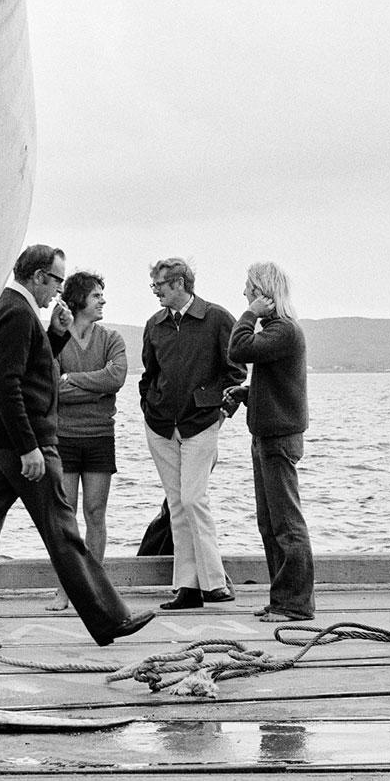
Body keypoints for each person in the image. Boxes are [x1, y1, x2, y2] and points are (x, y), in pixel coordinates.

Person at [0, 245, 155, 652]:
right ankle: (110, 617)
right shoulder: (18, 314)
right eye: (55, 281)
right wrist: (29, 449)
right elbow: (7, 384)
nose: (58, 291)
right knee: (63, 529)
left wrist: (54, 336)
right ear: (37, 276)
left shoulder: (3, 306)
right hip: (25, 444)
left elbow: (26, 370)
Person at [139, 257, 245, 609]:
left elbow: (235, 372)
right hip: (161, 426)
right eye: (154, 285)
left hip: (202, 424)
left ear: (180, 283)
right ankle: (187, 587)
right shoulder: (154, 325)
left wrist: (219, 414)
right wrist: (149, 406)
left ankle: (215, 583)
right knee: (177, 504)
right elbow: (148, 376)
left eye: (160, 285)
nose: (155, 291)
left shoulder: (216, 318)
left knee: (192, 499)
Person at [227, 261, 315, 621]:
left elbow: (239, 349)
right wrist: (249, 392)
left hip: (278, 439)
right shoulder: (278, 332)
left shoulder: (283, 330)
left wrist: (248, 314)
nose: (244, 294)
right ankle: (283, 599)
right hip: (268, 435)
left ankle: (295, 604)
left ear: (263, 293)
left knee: (287, 524)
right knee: (270, 523)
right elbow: (279, 383)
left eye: (249, 289)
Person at [46, 271, 127, 611]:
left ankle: (95, 588)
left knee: (95, 512)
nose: (103, 301)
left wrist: (72, 381)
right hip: (63, 437)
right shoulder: (58, 339)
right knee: (65, 516)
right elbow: (52, 388)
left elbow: (116, 378)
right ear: (80, 301)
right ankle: (66, 590)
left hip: (99, 436)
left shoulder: (111, 339)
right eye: (97, 296)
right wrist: (91, 390)